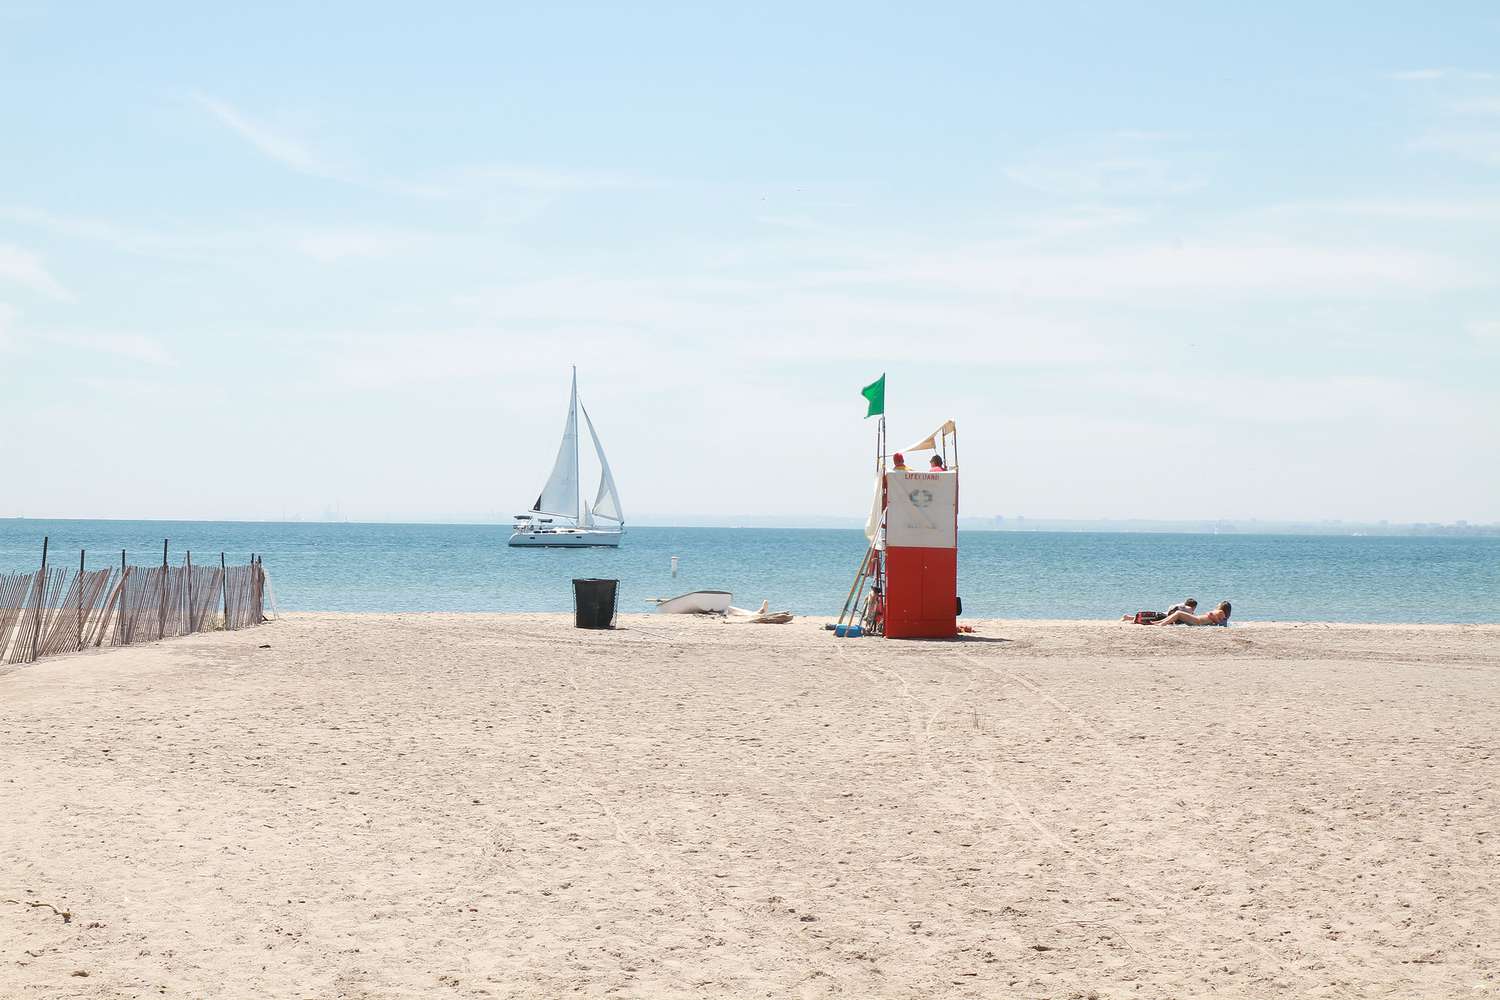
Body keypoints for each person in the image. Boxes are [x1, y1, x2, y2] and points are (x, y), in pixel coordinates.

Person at [1154, 601, 1231, 626]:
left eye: (1219, 604)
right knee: (1178, 614)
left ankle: (1161, 624)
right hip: (1198, 621)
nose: (1218, 605)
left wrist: (1209, 615)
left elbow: (1211, 615)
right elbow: (1220, 623)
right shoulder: (1223, 617)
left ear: (1222, 606)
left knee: (1178, 613)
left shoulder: (1220, 612)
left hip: (1198, 620)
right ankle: (1158, 622)